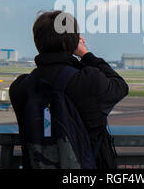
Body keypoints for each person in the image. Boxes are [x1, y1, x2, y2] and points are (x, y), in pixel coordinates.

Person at [10, 11, 129, 169]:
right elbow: (120, 86)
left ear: (37, 42)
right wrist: (85, 54)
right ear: (74, 42)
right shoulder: (87, 81)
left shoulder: (21, 87)